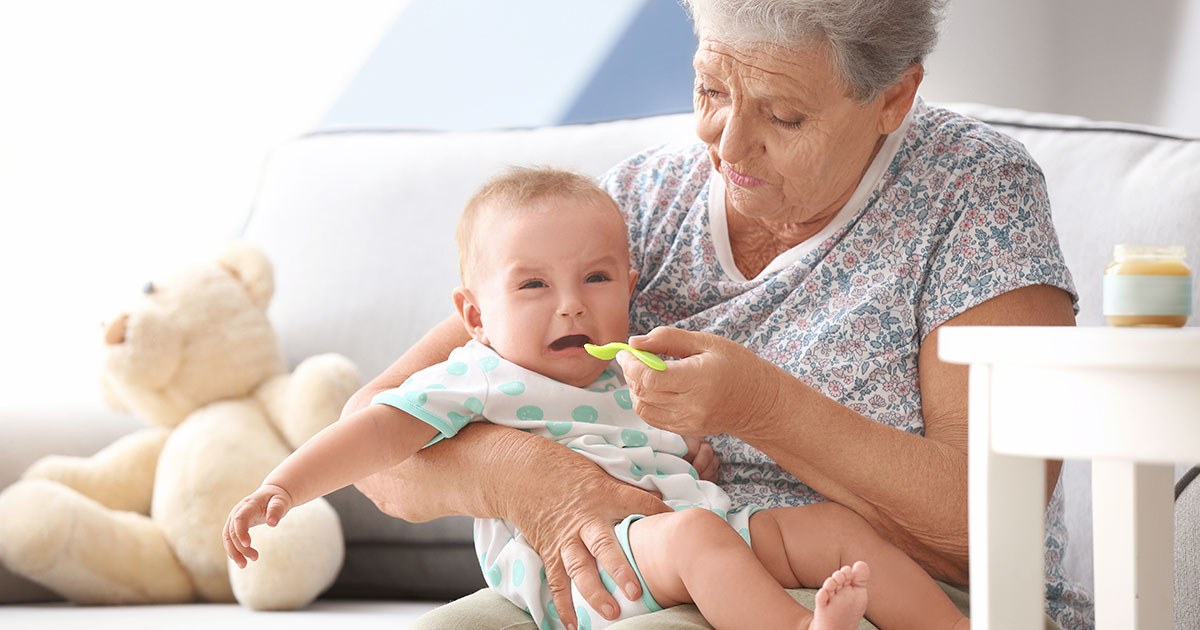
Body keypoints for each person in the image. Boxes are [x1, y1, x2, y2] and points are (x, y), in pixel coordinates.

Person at [341, 2, 1094, 629]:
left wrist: (762, 407)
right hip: (642, 568)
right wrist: (529, 477)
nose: (728, 146)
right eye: (710, 90)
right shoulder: (636, 205)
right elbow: (375, 439)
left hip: (892, 594)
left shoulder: (973, 192)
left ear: (894, 97)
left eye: (785, 116)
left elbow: (993, 521)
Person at [223, 167, 972, 630]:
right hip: (589, 574)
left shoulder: (629, 369)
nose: (572, 305)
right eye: (533, 285)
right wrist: (282, 486)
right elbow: (377, 433)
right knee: (696, 538)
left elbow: (674, 457)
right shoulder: (478, 374)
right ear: (475, 314)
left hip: (691, 534)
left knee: (832, 527)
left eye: (597, 279)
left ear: (629, 287)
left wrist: (691, 453)